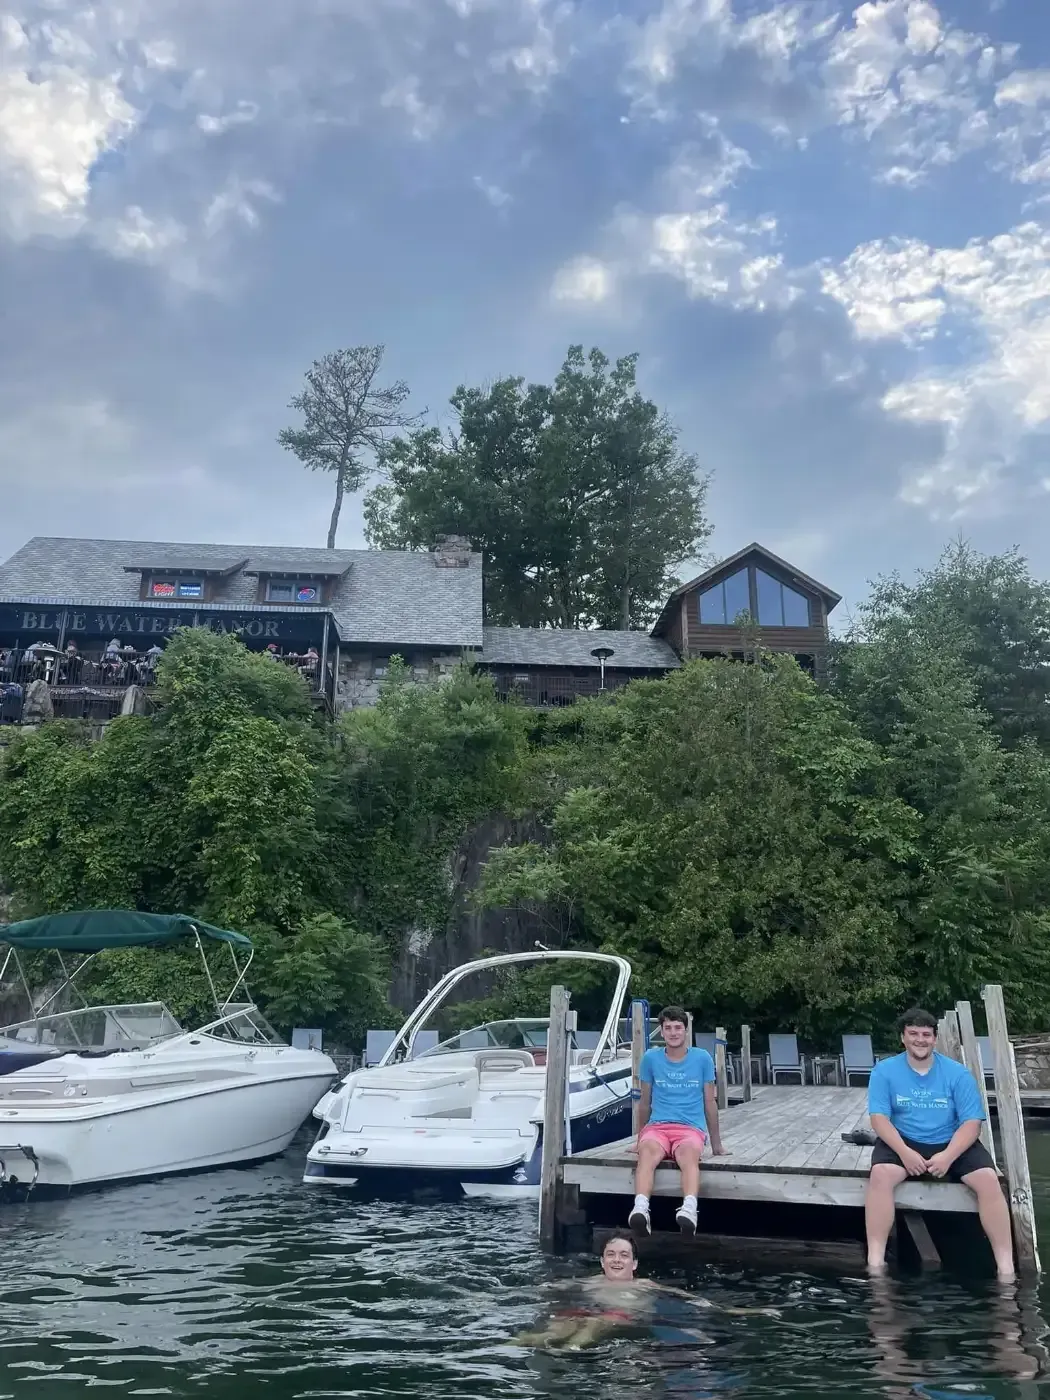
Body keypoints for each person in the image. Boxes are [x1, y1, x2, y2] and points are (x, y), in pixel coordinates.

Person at [865, 1007, 1015, 1280]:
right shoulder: (884, 1071)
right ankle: (875, 1263)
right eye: (913, 1034)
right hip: (904, 1139)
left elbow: (971, 1123)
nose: (919, 1040)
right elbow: (879, 1119)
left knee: (989, 1180)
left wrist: (948, 1156)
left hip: (951, 1140)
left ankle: (1006, 1268)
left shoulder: (957, 1074)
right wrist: (905, 1153)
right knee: (880, 1176)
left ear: (935, 1038)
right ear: (903, 1038)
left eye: (925, 1034)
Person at [514, 1232, 777, 1351]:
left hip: (618, 1316)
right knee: (554, 1328)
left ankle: (569, 1349)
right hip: (584, 1311)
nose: (617, 1260)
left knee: (597, 1323)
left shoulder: (645, 1285)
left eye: (624, 1255)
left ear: (634, 1263)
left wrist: (744, 1310)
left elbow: (696, 1301)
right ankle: (512, 1345)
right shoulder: (588, 1282)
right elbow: (546, 1288)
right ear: (603, 1261)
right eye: (611, 1255)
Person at [629, 1007, 727, 1238]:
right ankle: (641, 1207)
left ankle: (690, 1209)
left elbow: (709, 1102)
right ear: (661, 1032)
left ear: (685, 1030)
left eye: (678, 1028)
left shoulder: (702, 1058)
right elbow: (644, 1102)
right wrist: (639, 1138)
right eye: (668, 1028)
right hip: (658, 1126)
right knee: (647, 1154)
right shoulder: (650, 1058)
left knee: (688, 1156)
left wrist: (716, 1144)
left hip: (690, 1128)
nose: (673, 1032)